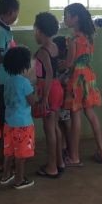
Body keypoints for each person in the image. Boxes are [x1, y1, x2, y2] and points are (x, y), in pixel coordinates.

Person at [61, 3, 102, 166]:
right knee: (91, 114)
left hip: (76, 79)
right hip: (88, 76)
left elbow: (69, 63)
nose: (64, 19)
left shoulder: (73, 40)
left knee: (75, 115)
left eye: (66, 16)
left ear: (75, 18)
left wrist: (58, 66)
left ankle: (74, 157)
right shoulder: (89, 37)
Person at [32, 12, 65, 178]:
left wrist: (44, 97)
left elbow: (49, 74)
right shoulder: (54, 46)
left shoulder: (42, 52)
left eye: (35, 30)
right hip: (57, 88)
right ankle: (59, 161)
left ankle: (52, 167)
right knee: (55, 126)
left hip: (48, 89)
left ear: (39, 31)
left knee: (49, 129)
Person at [0, 46, 37, 189]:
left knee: (9, 152)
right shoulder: (24, 82)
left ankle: (5, 175)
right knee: (21, 155)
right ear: (24, 65)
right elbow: (32, 101)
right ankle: (19, 180)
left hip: (9, 123)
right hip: (23, 124)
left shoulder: (8, 81)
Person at [0, 0, 20, 170]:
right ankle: (2, 160)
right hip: (0, 83)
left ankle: (5, 157)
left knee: (5, 120)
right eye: (16, 13)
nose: (16, 17)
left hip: (6, 81)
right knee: (3, 121)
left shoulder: (5, 29)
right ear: (10, 12)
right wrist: (13, 59)